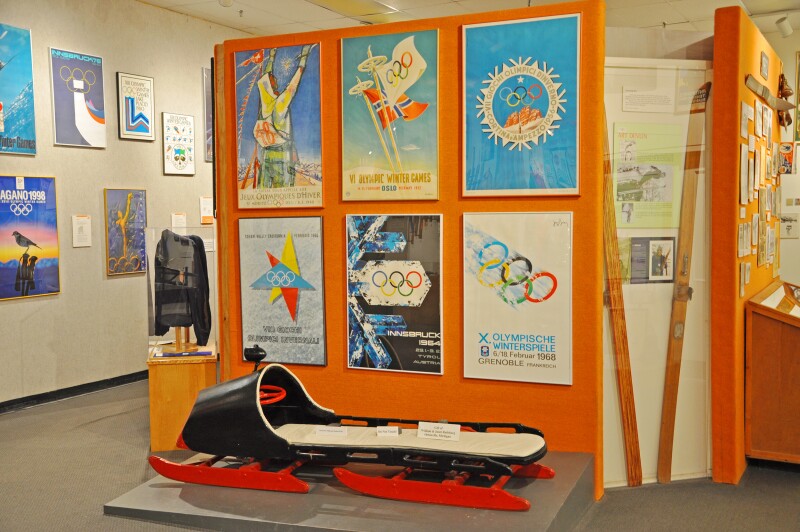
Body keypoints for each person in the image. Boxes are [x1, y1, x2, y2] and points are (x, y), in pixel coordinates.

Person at [253, 44, 315, 189]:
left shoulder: (265, 103)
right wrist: (302, 61)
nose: (276, 80)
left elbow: (265, 79)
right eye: (274, 79)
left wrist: (272, 58)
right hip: (283, 156)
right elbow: (293, 85)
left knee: (263, 198)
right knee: (284, 197)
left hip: (266, 156)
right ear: (272, 85)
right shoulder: (280, 103)